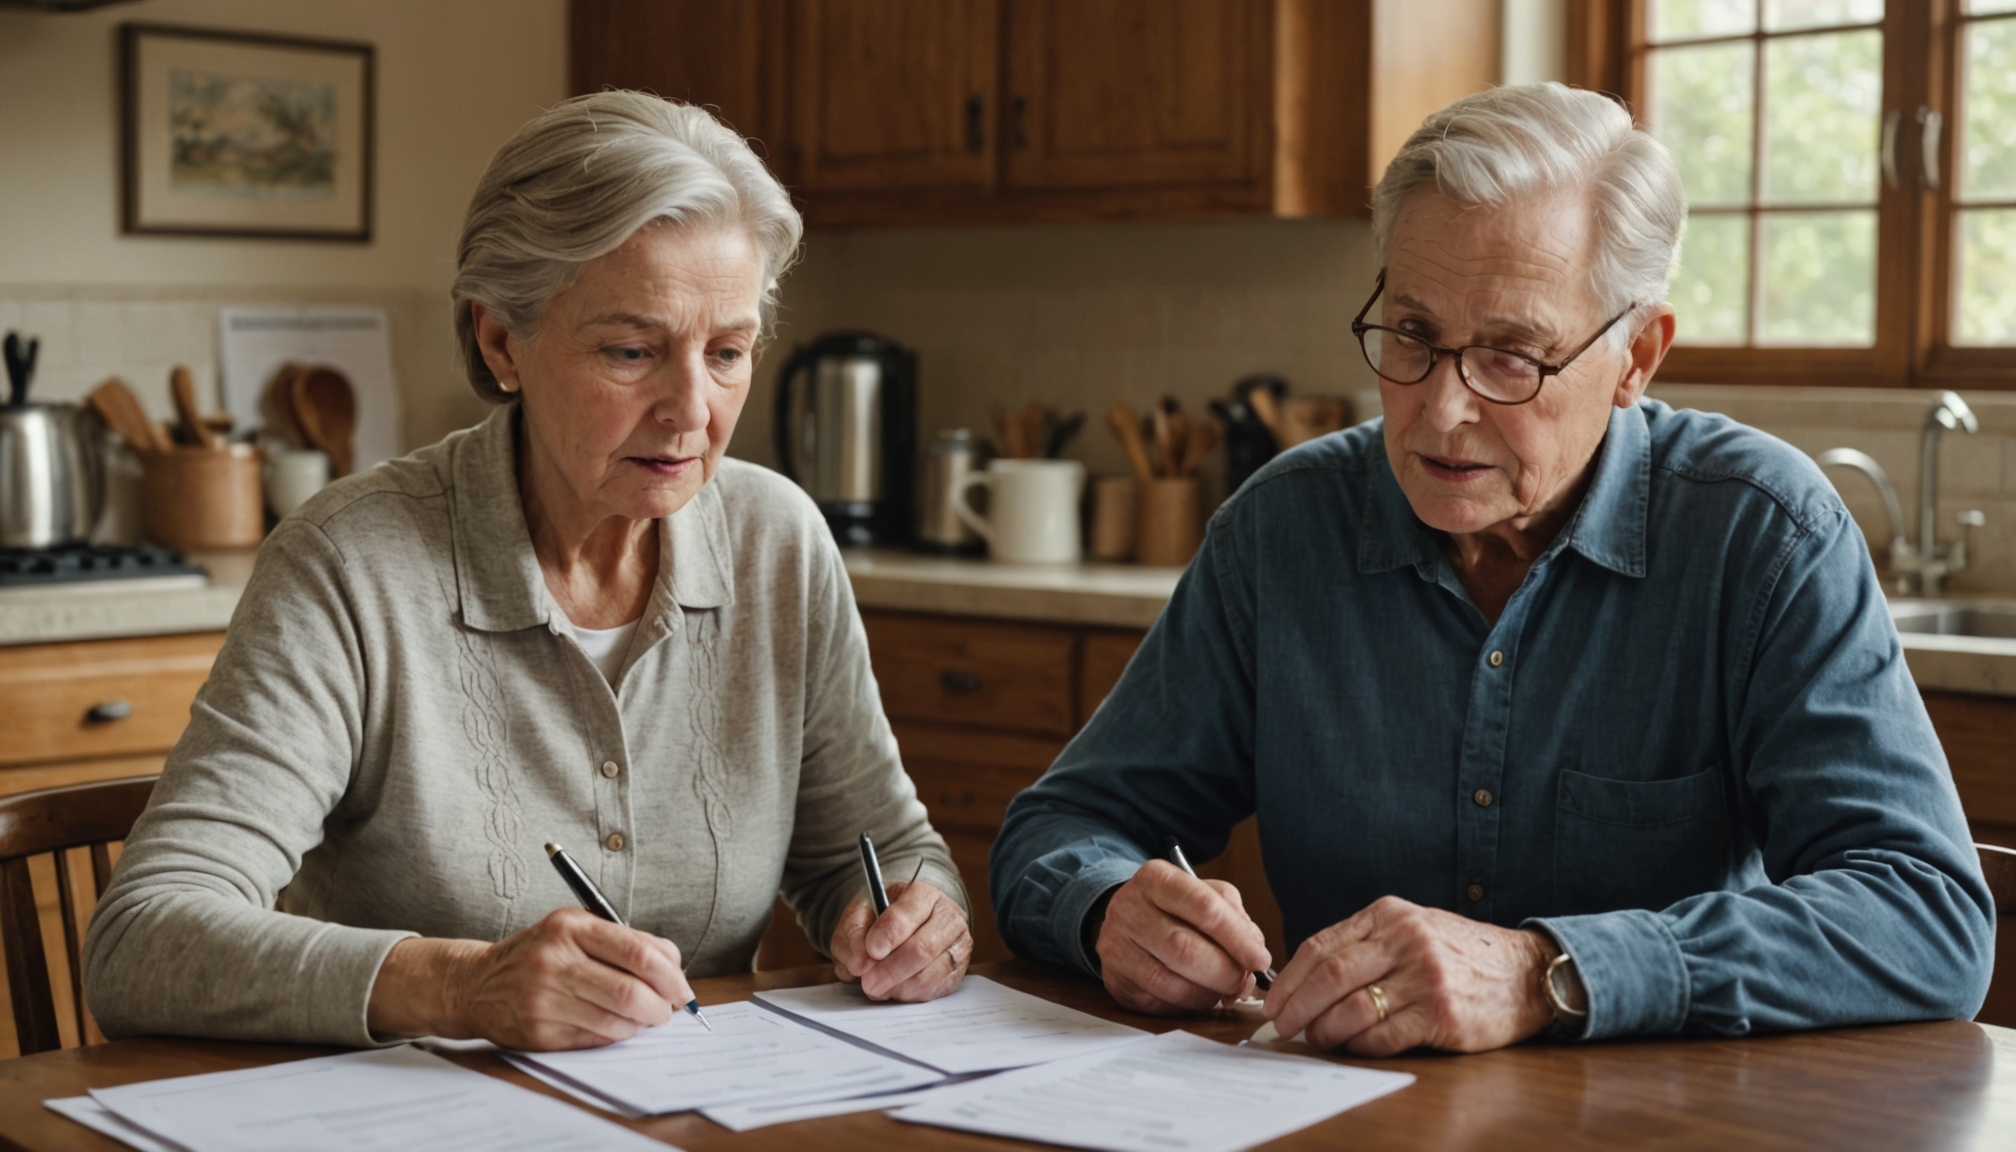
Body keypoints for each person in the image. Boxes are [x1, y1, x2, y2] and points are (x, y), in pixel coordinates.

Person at [990, 83, 1994, 1055]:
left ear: (1637, 355)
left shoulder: (1763, 535)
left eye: (1512, 354)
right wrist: (1110, 910)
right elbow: (1061, 827)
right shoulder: (1281, 529)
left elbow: (1928, 916)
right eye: (1413, 336)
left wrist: (1546, 973)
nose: (1442, 410)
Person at [85, 92, 972, 1051]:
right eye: (632, 350)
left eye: (727, 353)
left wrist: (919, 921)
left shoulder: (779, 542)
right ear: (500, 340)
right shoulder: (349, 563)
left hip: (699, 1108)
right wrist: (459, 985)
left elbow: (880, 854)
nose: (691, 410)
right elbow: (145, 937)